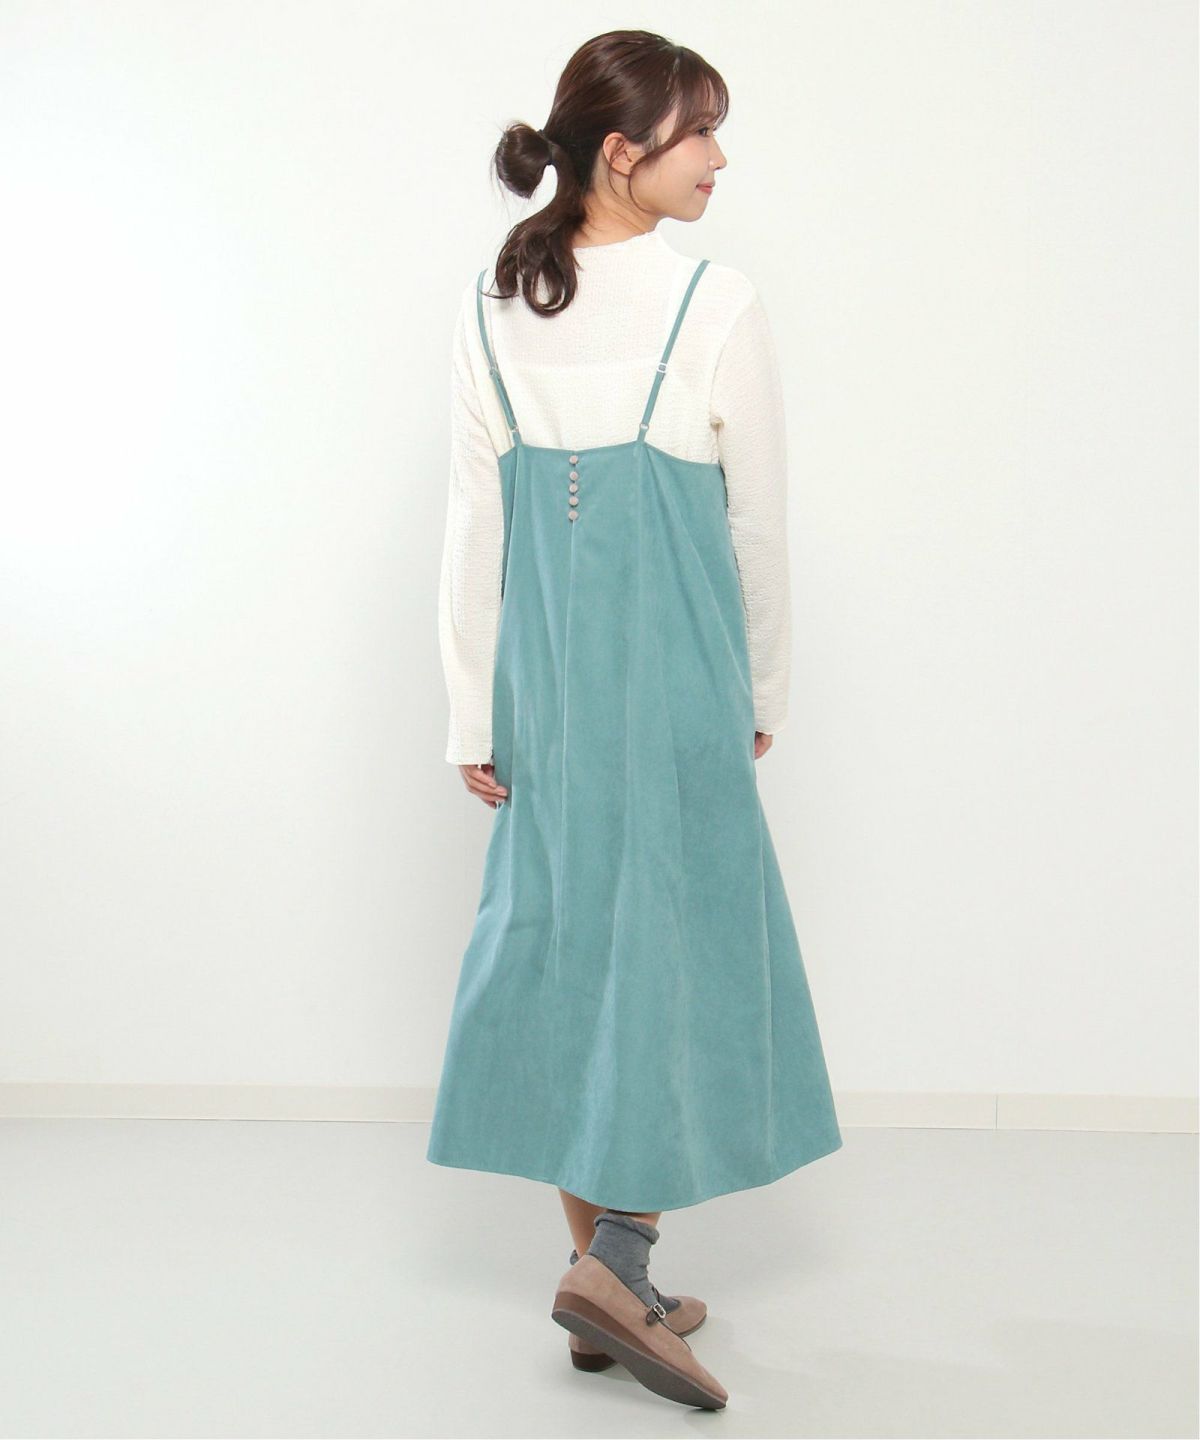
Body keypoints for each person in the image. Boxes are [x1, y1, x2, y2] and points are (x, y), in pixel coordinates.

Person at [427, 29, 842, 1412]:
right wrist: (764, 691)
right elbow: (757, 527)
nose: (720, 158)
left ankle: (611, 1291)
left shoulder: (496, 301)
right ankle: (616, 1263)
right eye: (699, 131)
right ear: (623, 152)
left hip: (543, 697)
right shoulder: (712, 302)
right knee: (663, 962)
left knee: (569, 959)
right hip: (675, 689)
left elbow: (475, 529)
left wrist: (469, 712)